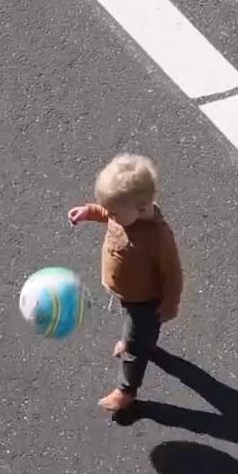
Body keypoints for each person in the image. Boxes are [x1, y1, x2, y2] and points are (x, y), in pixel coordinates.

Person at [67, 154, 183, 418]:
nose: (111, 216)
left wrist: (170, 304)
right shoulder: (124, 211)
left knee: (134, 348)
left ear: (142, 209)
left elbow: (173, 274)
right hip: (128, 294)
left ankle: (126, 390)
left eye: (114, 212)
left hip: (146, 300)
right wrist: (89, 212)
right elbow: (105, 211)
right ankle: (142, 341)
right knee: (139, 333)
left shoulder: (158, 238)